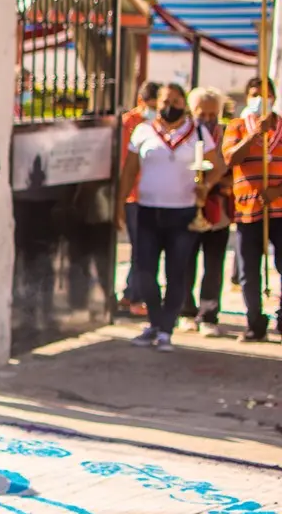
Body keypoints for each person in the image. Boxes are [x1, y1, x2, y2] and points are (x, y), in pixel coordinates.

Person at [117, 84, 227, 352]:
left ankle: (166, 329)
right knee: (145, 272)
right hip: (148, 210)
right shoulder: (143, 131)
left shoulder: (198, 132)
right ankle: (155, 321)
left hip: (183, 212)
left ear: (184, 103)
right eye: (166, 100)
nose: (170, 105)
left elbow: (218, 164)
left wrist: (206, 185)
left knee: (176, 272)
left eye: (176, 100)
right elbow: (130, 169)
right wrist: (119, 203)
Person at [221, 78, 282, 342]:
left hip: (279, 208)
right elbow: (231, 158)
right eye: (255, 95)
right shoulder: (236, 127)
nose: (260, 99)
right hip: (247, 209)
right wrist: (254, 134)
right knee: (249, 269)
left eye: (266, 95)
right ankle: (254, 320)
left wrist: (277, 192)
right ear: (247, 98)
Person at [179, 87, 232, 337]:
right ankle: (186, 311)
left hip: (217, 208)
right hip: (186, 205)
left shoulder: (227, 133)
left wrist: (213, 183)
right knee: (185, 261)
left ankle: (209, 312)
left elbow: (230, 165)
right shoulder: (184, 133)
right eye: (203, 113)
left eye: (214, 114)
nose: (208, 119)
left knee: (213, 263)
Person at [118, 82, 161, 316]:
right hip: (134, 194)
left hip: (153, 194)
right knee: (141, 247)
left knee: (145, 248)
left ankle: (130, 292)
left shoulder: (159, 122)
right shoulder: (129, 123)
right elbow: (125, 162)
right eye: (152, 106)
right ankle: (135, 296)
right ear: (141, 102)